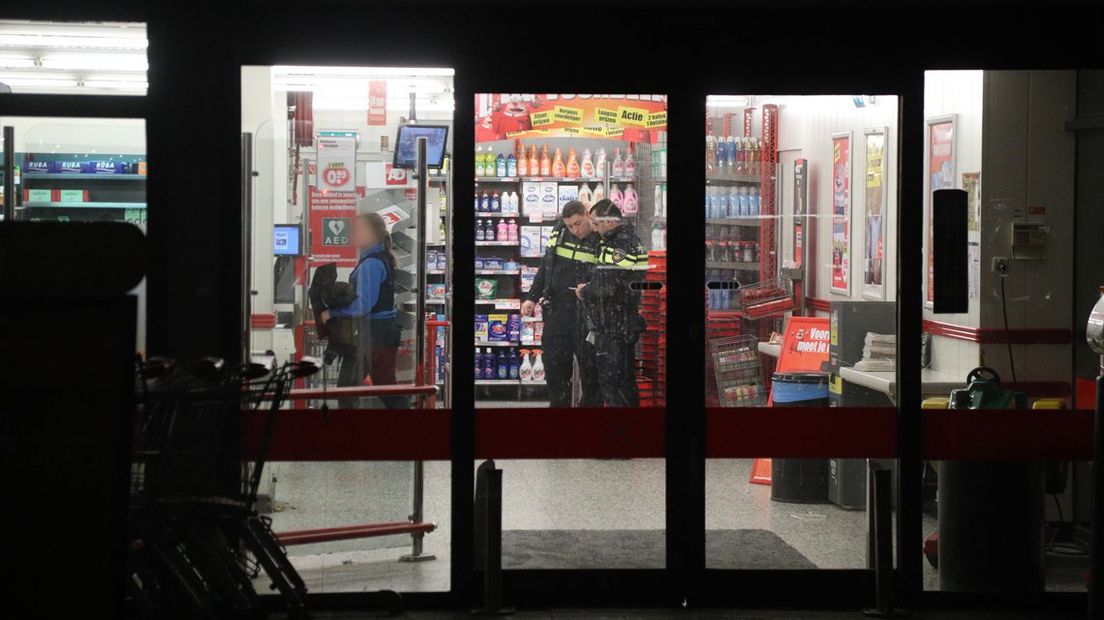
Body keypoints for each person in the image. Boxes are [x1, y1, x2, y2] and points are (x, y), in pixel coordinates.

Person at [321, 212, 407, 409]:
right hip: (381, 331)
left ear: (375, 234)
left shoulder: (371, 263)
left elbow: (364, 305)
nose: (355, 234)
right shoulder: (379, 258)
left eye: (361, 230)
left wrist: (332, 313)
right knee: (383, 384)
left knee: (349, 387)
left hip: (373, 332)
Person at [521, 200, 602, 407]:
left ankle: (587, 431)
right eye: (569, 225)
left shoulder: (601, 237)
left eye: (578, 223)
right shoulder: (559, 232)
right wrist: (532, 296)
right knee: (556, 377)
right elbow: (546, 265)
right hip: (558, 313)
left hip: (588, 317)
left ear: (587, 214)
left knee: (592, 379)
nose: (574, 230)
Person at [576, 199, 649, 407]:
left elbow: (610, 284)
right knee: (619, 382)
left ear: (609, 222)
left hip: (616, 324)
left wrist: (585, 291)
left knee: (615, 383)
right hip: (617, 322)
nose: (596, 230)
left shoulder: (621, 245)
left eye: (597, 224)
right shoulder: (621, 241)